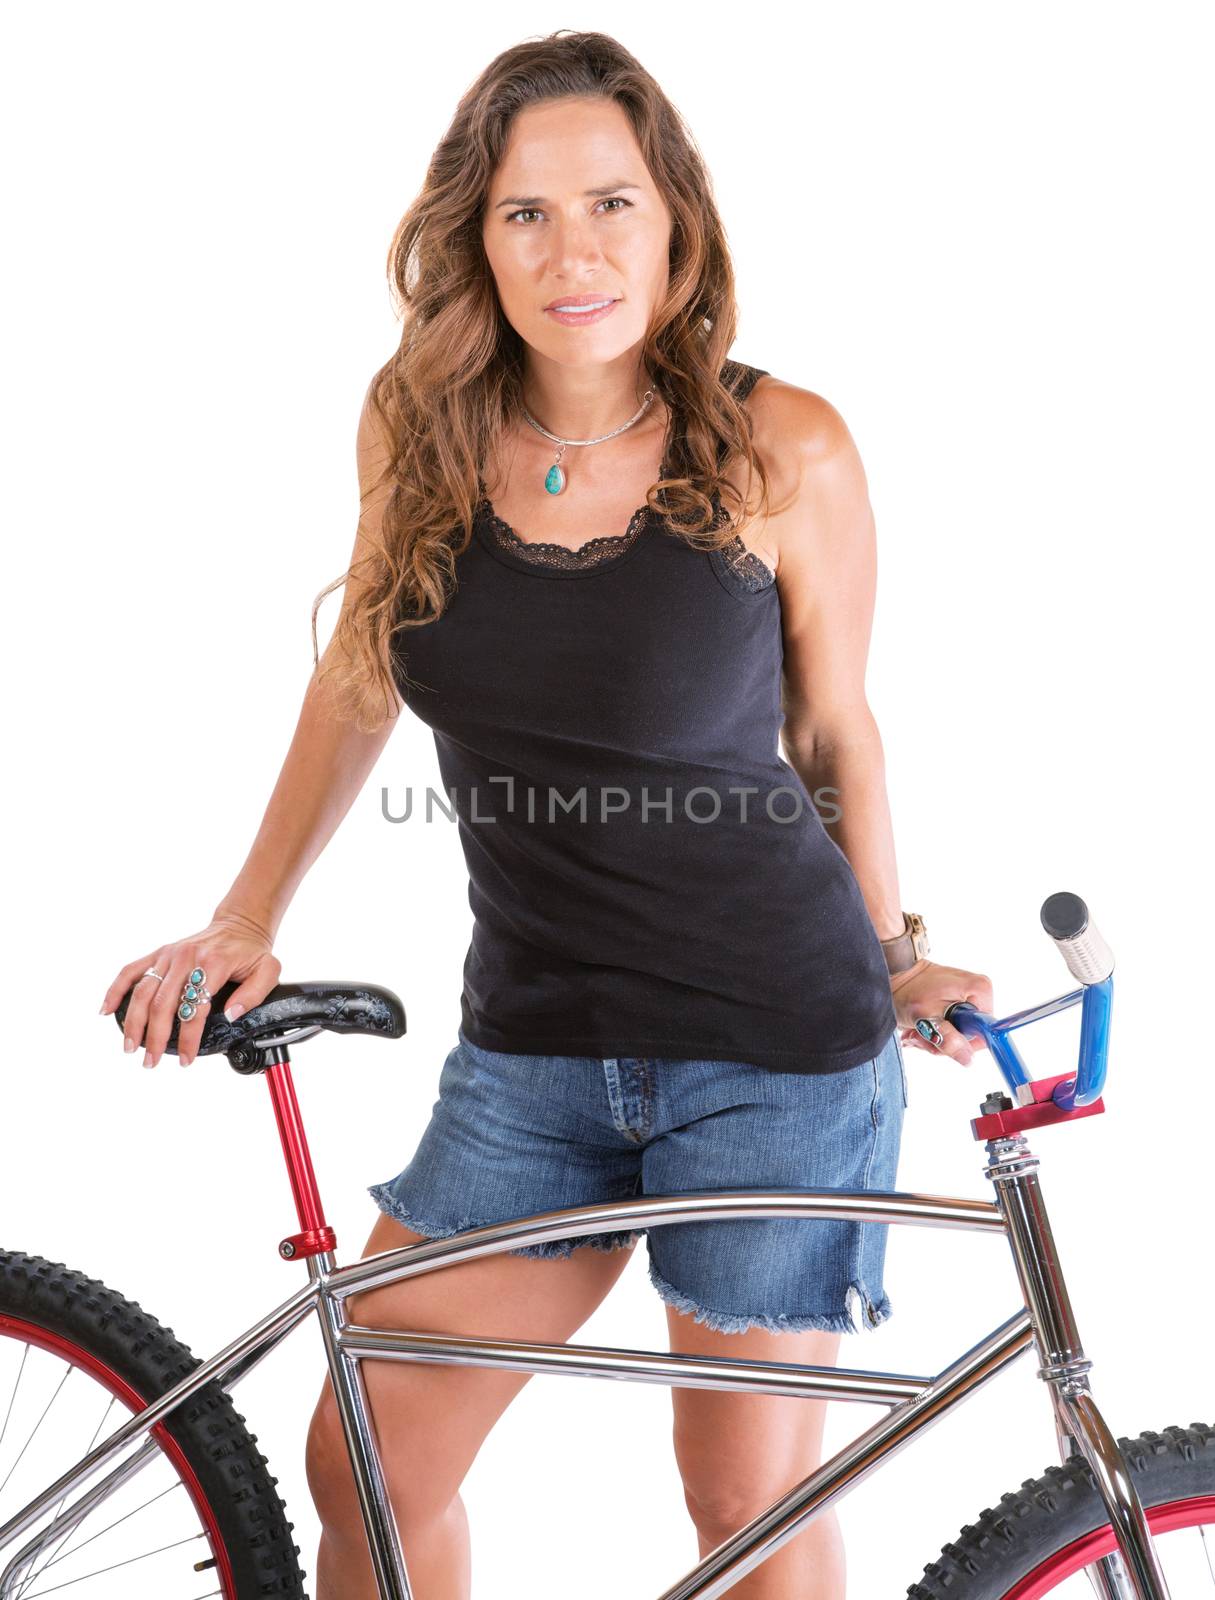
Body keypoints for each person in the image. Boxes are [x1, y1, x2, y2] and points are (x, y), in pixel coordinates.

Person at [100, 29, 992, 1600]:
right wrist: (249, 912)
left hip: (778, 1042)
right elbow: (361, 676)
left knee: (747, 1502)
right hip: (536, 1050)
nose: (574, 252)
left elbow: (836, 727)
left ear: (674, 224)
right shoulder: (422, 425)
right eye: (527, 214)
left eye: (611, 204)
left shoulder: (786, 447)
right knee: (366, 1460)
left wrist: (896, 952)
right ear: (477, 239)